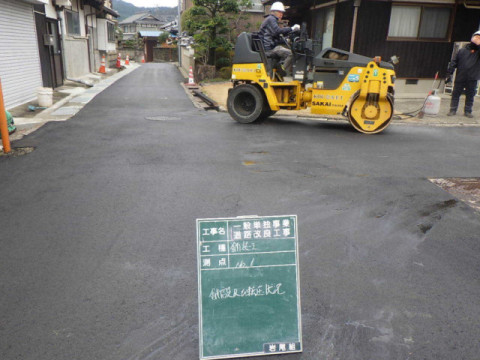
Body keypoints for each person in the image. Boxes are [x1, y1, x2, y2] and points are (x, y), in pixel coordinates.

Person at [258, 1, 300, 75]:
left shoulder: (270, 20)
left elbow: (275, 35)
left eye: (282, 13)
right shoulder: (271, 19)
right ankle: (280, 70)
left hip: (269, 46)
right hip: (268, 48)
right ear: (273, 12)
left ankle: (279, 68)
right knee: (291, 54)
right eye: (279, 12)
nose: (281, 14)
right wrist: (292, 28)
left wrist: (285, 39)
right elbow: (277, 31)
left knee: (283, 50)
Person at [446, 30, 480, 118]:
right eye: (476, 37)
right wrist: (450, 72)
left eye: (479, 38)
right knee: (456, 93)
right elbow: (454, 62)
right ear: (472, 38)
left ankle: (468, 111)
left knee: (470, 94)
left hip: (472, 77)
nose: (477, 39)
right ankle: (453, 109)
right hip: (461, 75)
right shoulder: (462, 50)